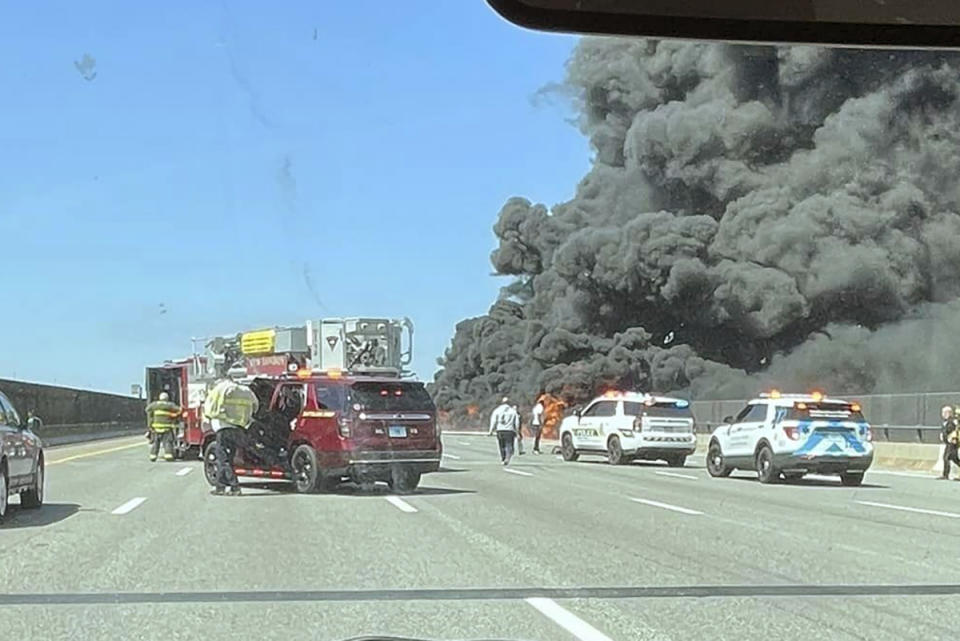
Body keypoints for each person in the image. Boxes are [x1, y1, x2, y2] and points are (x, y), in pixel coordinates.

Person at [204, 377, 259, 496]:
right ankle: (220, 487)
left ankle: (235, 487)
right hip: (239, 428)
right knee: (227, 459)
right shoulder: (245, 390)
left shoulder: (220, 389)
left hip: (223, 428)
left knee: (223, 459)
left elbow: (209, 409)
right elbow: (256, 406)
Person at [145, 392, 180, 462]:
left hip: (156, 428)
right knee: (167, 442)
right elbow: (179, 409)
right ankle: (168, 456)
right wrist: (174, 415)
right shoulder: (170, 405)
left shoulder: (154, 405)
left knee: (156, 443)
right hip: (166, 428)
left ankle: (153, 456)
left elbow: (147, 409)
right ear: (167, 398)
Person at [488, 397, 520, 465]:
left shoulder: (497, 410)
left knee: (501, 445)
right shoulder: (513, 411)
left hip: (500, 430)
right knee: (509, 445)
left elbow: (493, 421)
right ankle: (507, 458)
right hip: (509, 430)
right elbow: (517, 422)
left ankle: (503, 458)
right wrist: (517, 431)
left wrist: (491, 430)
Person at [940, 404, 959, 480]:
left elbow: (954, 431)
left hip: (952, 442)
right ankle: (945, 474)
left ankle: (945, 475)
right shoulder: (946, 422)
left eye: (945, 412)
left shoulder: (953, 422)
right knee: (953, 458)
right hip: (948, 443)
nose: (943, 414)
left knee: (947, 457)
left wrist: (954, 439)